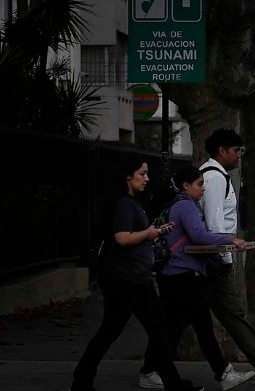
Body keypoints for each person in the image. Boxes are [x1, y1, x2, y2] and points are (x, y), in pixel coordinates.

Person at [72, 155, 202, 391]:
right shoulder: (123, 203)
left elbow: (136, 234)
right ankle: (81, 379)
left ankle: (171, 382)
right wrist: (149, 234)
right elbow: (122, 238)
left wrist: (156, 232)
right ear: (127, 177)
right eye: (142, 174)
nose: (147, 178)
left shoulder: (132, 203)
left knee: (157, 329)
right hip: (125, 280)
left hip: (137, 279)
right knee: (113, 330)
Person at [191, 128, 255, 386]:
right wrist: (225, 261)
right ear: (222, 151)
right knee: (212, 315)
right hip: (214, 259)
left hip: (212, 259)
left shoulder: (216, 175)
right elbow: (216, 224)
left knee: (222, 314)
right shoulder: (214, 177)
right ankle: (153, 367)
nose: (239, 156)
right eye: (236, 150)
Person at [139, 166, 254, 391]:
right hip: (184, 275)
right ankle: (222, 373)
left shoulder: (179, 204)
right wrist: (231, 238)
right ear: (186, 186)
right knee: (200, 325)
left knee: (172, 328)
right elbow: (199, 236)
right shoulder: (185, 206)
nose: (203, 188)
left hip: (174, 275)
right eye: (200, 184)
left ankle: (150, 371)